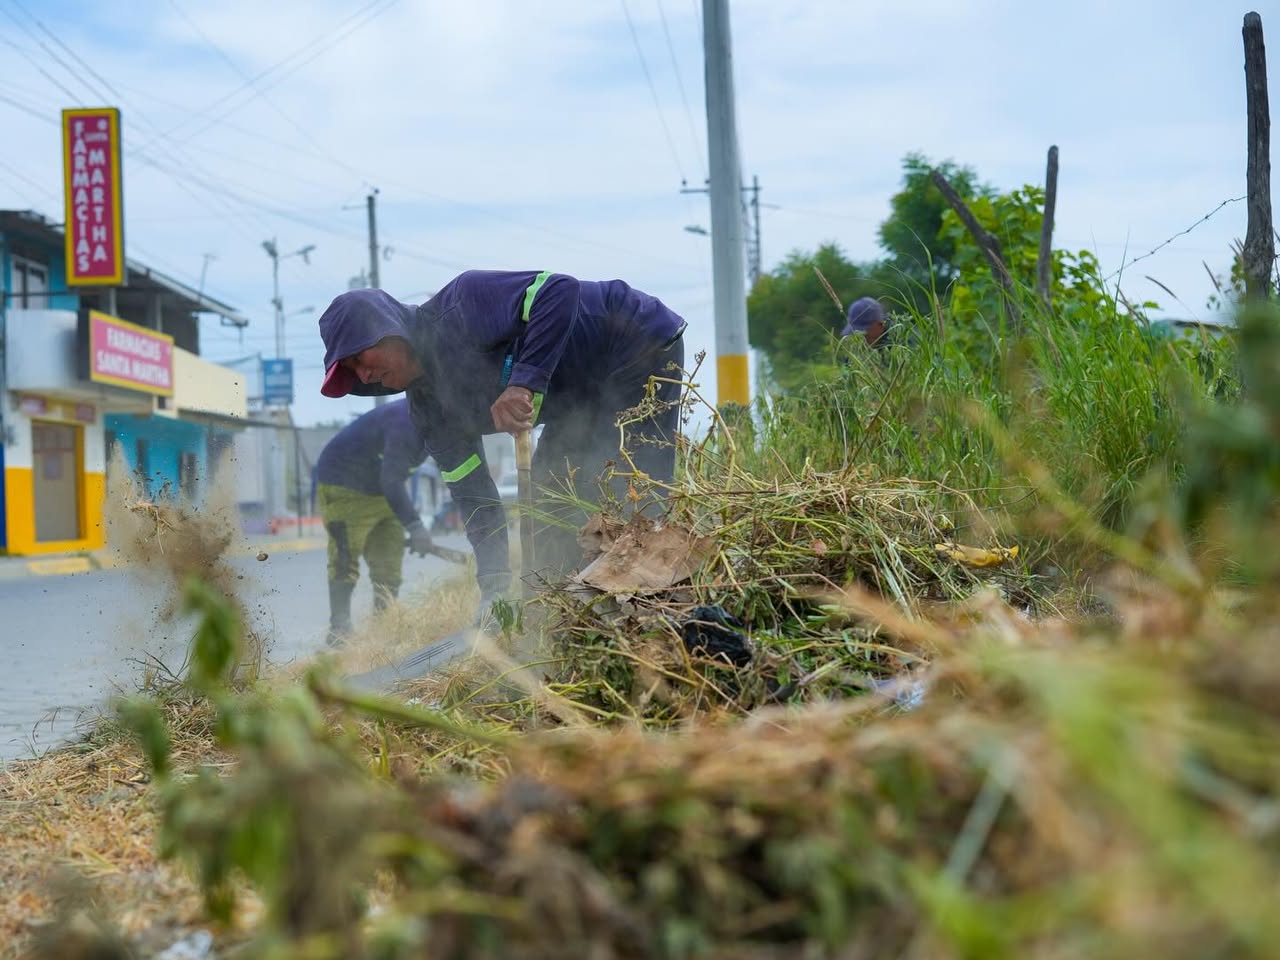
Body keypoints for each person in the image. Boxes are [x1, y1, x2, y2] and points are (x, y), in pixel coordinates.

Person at [315, 272, 686, 612]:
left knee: (629, 492)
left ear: (388, 327)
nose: (363, 374)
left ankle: (655, 611)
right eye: (352, 373)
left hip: (635, 344)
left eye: (359, 357)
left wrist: (523, 382)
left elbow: (559, 291)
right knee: (548, 503)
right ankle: (562, 615)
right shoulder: (430, 414)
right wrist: (493, 589)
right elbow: (476, 498)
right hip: (583, 396)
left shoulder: (463, 305)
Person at [314, 398, 431, 645]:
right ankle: (340, 629)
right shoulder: (405, 420)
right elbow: (392, 480)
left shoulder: (442, 421)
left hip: (383, 492)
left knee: (388, 566)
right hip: (345, 487)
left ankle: (382, 631)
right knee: (345, 559)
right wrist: (416, 526)